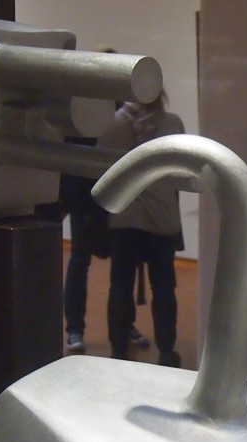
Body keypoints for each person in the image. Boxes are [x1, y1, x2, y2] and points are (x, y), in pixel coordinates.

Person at [60, 47, 149, 352]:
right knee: (81, 261)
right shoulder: (82, 110)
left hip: (117, 197)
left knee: (120, 266)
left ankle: (122, 324)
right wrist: (69, 201)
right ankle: (75, 328)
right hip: (86, 199)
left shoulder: (124, 110)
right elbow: (71, 156)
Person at [100, 91, 185, 367]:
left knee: (120, 286)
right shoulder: (172, 123)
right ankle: (166, 351)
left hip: (123, 216)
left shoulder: (112, 123)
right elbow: (181, 173)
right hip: (162, 217)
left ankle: (118, 352)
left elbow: (102, 171)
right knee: (164, 287)